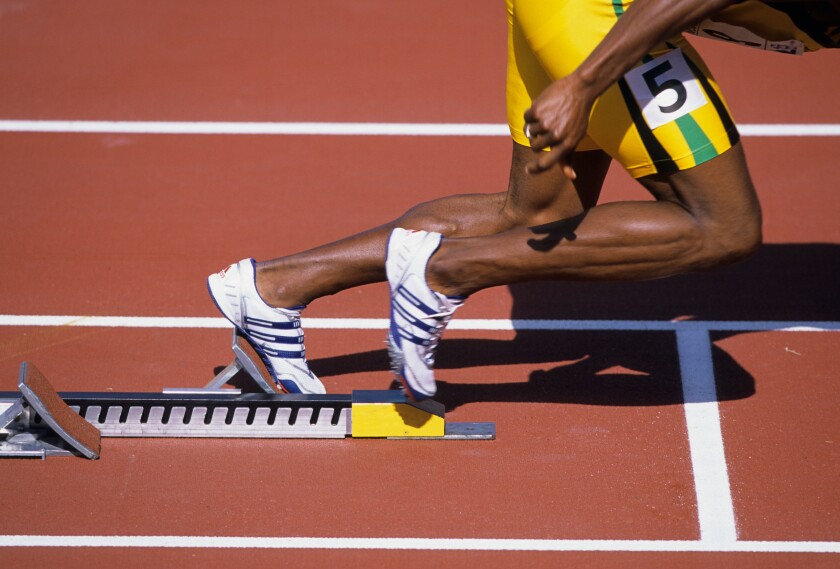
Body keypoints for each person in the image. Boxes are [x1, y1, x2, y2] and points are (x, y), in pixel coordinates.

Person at [208, 0, 836, 400]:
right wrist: (586, 82)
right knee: (722, 225)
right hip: (599, 15)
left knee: (535, 220)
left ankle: (272, 288)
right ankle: (445, 271)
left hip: (565, 8)